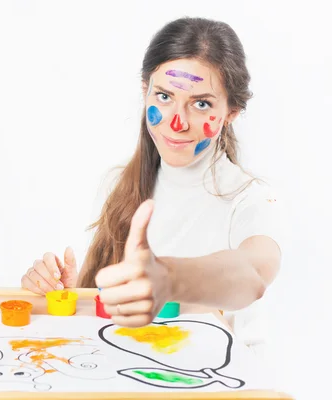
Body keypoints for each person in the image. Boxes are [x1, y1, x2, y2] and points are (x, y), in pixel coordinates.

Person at [20, 17, 284, 357]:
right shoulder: (117, 183)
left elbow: (253, 275)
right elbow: (111, 317)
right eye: (164, 96)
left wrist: (169, 280)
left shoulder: (253, 199)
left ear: (231, 112)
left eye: (201, 103)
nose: (177, 122)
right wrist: (73, 296)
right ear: (145, 90)